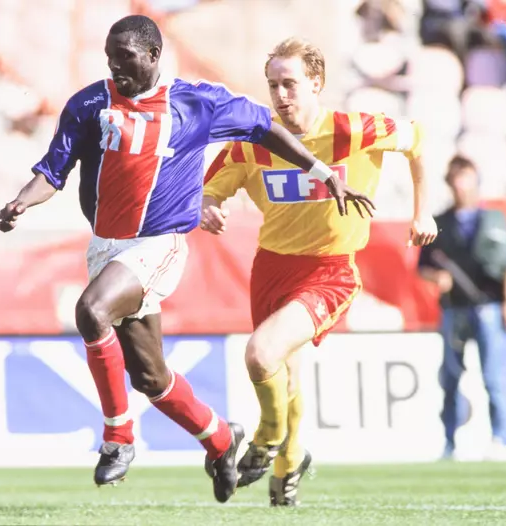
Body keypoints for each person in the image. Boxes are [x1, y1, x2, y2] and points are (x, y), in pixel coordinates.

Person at [0, 16, 374, 504]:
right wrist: (23, 201)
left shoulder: (196, 102)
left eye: (126, 57)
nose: (115, 65)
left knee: (90, 311)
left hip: (159, 244)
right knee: (150, 376)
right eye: (110, 57)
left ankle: (118, 437)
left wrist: (323, 171)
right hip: (107, 246)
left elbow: (265, 128)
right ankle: (219, 439)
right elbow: (53, 171)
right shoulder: (90, 103)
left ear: (153, 55)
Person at [201, 37, 437, 506]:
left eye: (290, 84)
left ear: (317, 83)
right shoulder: (255, 141)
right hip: (271, 267)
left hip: (331, 270)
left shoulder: (355, 130)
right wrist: (208, 207)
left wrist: (422, 212)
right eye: (273, 86)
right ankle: (291, 463)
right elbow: (212, 189)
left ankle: (266, 440)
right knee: (284, 374)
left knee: (259, 354)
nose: (281, 95)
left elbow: (418, 139)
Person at [417, 155, 506, 460]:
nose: (462, 187)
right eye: (457, 180)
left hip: (488, 306)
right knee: (450, 377)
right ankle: (449, 443)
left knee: (492, 377)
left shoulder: (495, 219)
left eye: (467, 179)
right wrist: (437, 276)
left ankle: (499, 439)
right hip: (453, 308)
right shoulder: (439, 223)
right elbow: (421, 266)